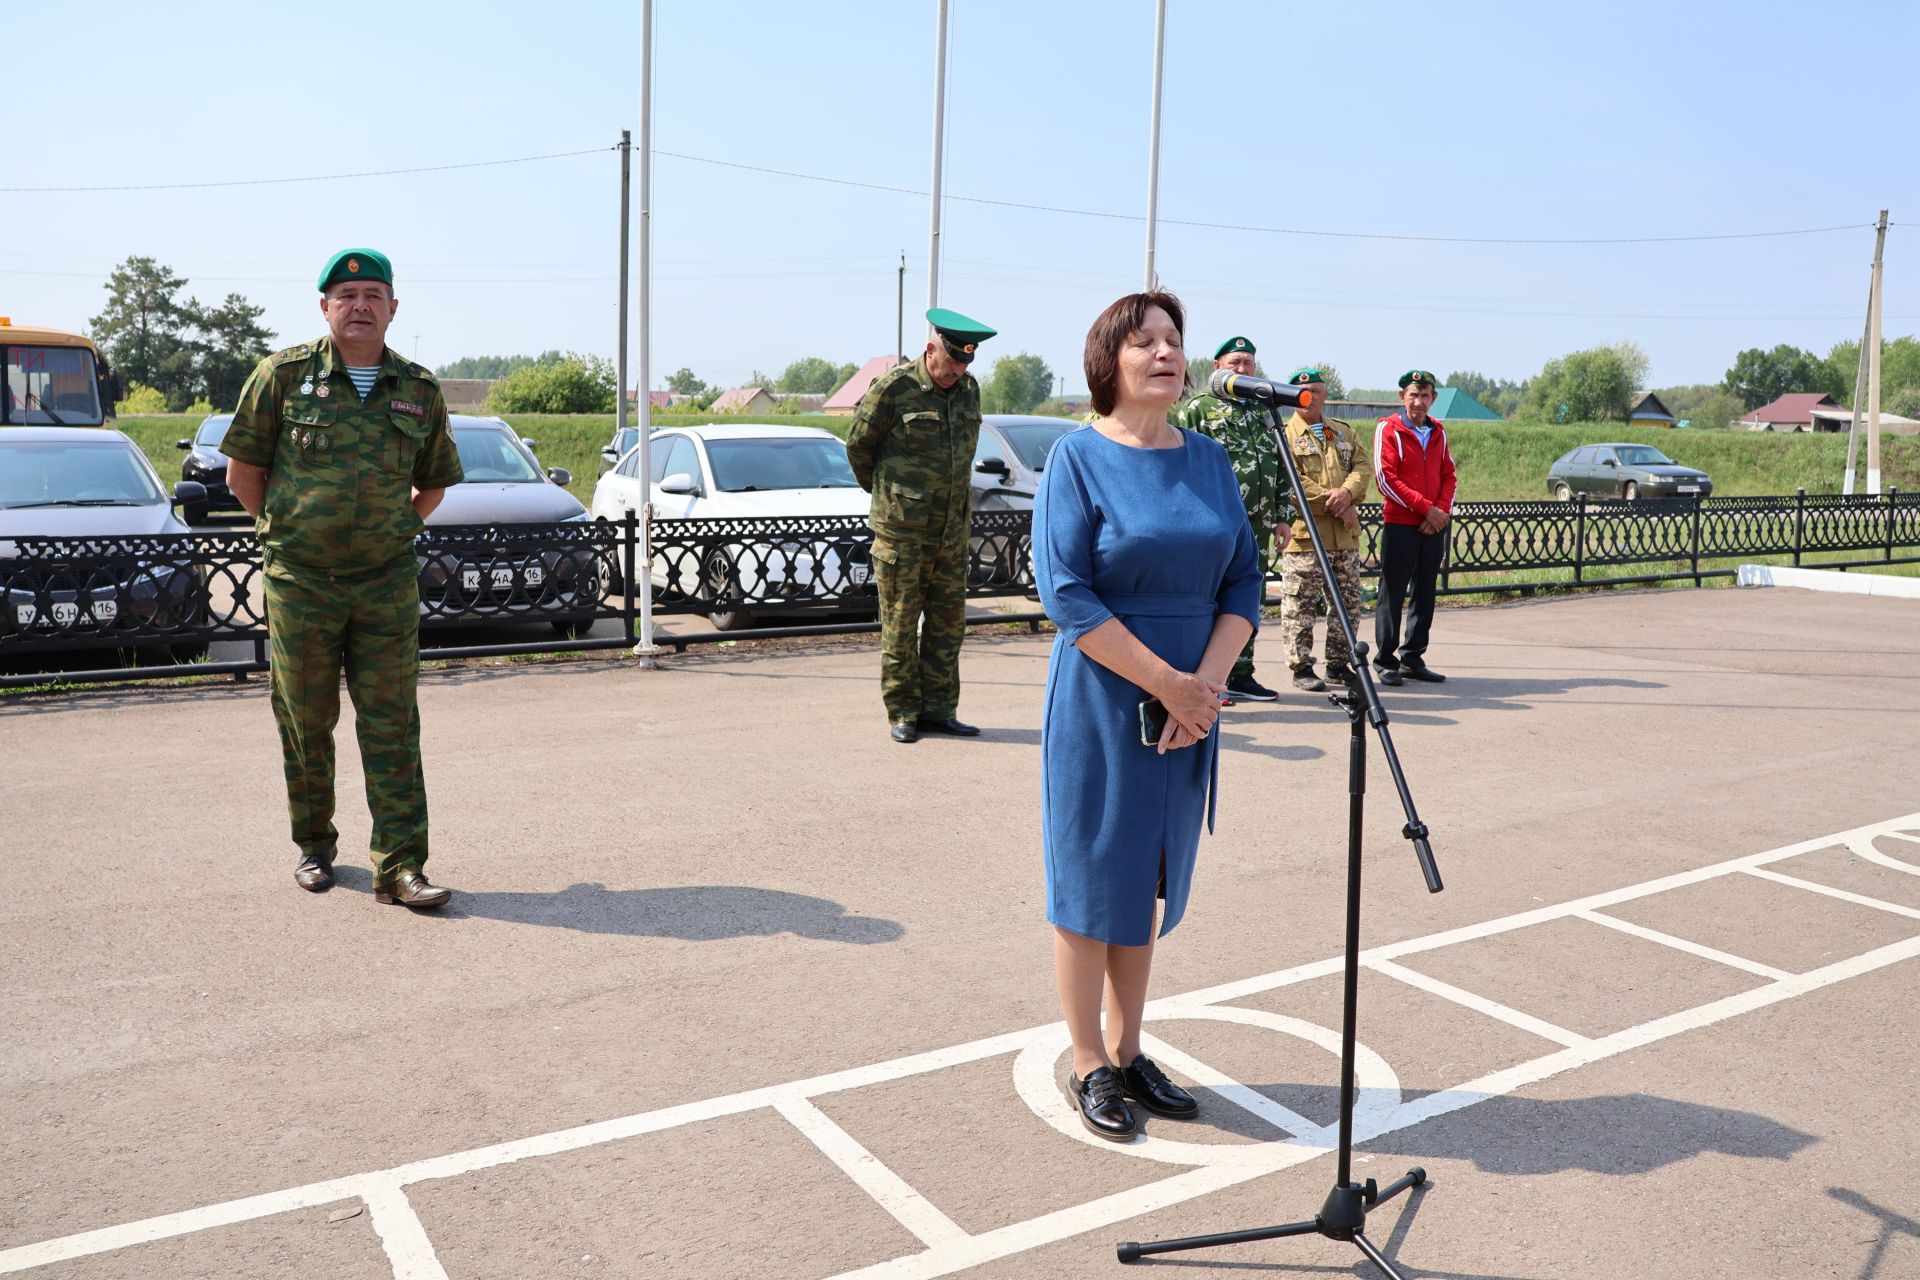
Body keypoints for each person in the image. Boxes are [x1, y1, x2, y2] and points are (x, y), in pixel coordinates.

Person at [1033, 292, 1263, 1142]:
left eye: (1174, 340)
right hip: (1105, 694)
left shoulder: (1209, 459)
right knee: (1094, 875)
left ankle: (1130, 1051)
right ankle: (1088, 1060)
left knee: (1154, 875)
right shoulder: (1076, 457)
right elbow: (1066, 592)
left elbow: (1242, 581)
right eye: (1146, 342)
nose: (1166, 352)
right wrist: (1167, 682)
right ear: (1110, 361)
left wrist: (1202, 686)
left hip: (1190, 700)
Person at [221, 249, 464, 907]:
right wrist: (282, 532)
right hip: (300, 582)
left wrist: (400, 527)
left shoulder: (418, 389)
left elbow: (435, 479)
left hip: (384, 584)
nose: (360, 306)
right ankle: (313, 846)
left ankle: (401, 864)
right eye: (347, 294)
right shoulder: (283, 376)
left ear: (393, 308)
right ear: (324, 305)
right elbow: (243, 473)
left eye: (373, 294)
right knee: (306, 718)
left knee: (392, 722)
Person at [846, 306, 996, 744]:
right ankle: (904, 710)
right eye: (952, 361)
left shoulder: (969, 390)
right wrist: (893, 500)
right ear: (932, 348)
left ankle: (940, 709)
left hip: (951, 533)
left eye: (966, 361)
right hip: (903, 533)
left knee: (948, 626)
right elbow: (859, 449)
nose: (958, 370)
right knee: (900, 623)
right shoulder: (894, 389)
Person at [1174, 335, 1292, 702]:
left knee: (1247, 599)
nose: (1242, 370)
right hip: (1213, 524)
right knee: (1211, 597)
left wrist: (1283, 516)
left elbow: (1281, 465)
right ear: (1217, 367)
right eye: (1235, 362)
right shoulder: (1197, 410)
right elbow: (1183, 467)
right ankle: (1208, 678)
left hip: (1255, 526)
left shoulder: (1263, 412)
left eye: (1248, 364)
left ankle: (1241, 673)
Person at [1277, 368, 1374, 691]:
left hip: (1344, 536)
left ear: (1325, 395)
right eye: (1302, 392)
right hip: (1305, 535)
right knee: (1300, 605)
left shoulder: (1343, 433)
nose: (1310, 397)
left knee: (1347, 604)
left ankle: (1338, 664)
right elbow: (1290, 481)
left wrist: (1347, 493)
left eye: (1316, 391)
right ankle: (1302, 666)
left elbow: (1362, 468)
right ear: (1290, 397)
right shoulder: (1282, 434)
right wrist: (1337, 501)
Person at [1372, 369, 1457, 686]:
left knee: (1425, 591)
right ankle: (1385, 659)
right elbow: (1385, 479)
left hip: (1434, 525)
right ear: (1401, 397)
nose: (1418, 402)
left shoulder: (1439, 432)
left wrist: (1441, 512)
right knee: (1392, 593)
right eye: (1413, 395)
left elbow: (1449, 475)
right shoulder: (1388, 430)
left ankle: (1413, 656)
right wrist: (1426, 508)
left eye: (1424, 396)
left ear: (1433, 399)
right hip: (1402, 523)